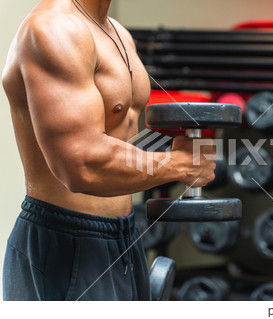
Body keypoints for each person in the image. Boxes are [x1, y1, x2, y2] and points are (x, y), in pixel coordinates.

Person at [1, 0, 216, 300]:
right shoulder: (54, 28)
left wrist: (177, 152)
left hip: (125, 235)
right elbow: (82, 163)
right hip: (66, 239)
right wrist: (180, 165)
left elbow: (114, 138)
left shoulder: (118, 34)